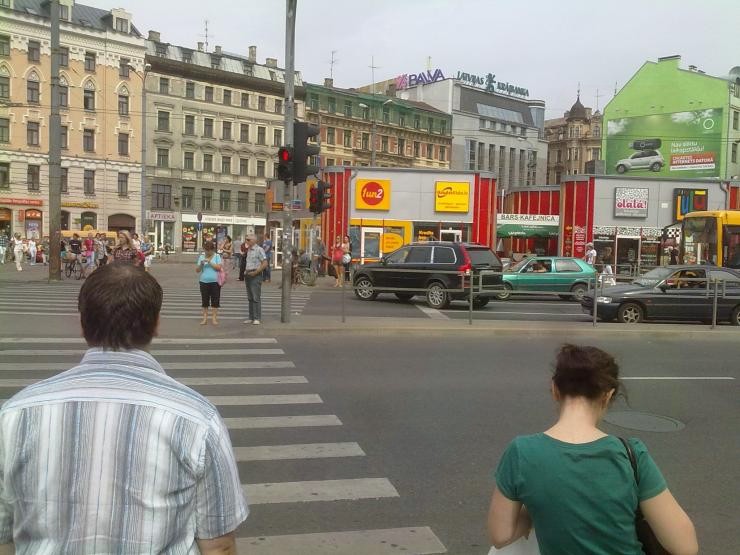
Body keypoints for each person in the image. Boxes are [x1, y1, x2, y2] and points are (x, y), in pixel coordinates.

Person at [0, 263, 248, 553]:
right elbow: (218, 544)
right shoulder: (196, 417)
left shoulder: (16, 413)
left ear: (82, 324)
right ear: (156, 324)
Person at [487, 344, 698, 555]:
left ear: (555, 389)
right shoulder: (631, 455)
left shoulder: (521, 452)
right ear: (608, 395)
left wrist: (539, 507)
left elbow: (500, 535)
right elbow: (685, 546)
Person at [196, 240, 223, 325]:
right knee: (205, 300)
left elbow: (218, 268)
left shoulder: (217, 256)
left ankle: (214, 318)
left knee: (215, 300)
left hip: (215, 282)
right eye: (205, 250)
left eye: (209, 251)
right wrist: (201, 264)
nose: (207, 252)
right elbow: (197, 270)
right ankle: (205, 318)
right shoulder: (201, 257)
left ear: (212, 250)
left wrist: (209, 262)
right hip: (203, 281)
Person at [243, 234, 267, 325]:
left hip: (255, 275)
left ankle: (257, 318)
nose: (246, 241)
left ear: (254, 240)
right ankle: (251, 317)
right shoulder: (249, 250)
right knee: (250, 297)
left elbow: (265, 263)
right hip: (248, 274)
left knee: (255, 297)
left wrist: (256, 272)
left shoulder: (259, 249)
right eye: (246, 239)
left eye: (248, 239)